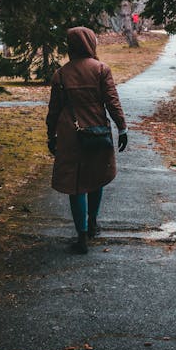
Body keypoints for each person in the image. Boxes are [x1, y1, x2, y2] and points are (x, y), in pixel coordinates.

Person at [46, 26, 128, 254]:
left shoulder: (60, 74)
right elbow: (112, 102)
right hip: (97, 130)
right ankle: (93, 222)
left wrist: (50, 134)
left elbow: (53, 111)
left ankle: (81, 235)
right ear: (90, 43)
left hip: (69, 134)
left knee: (76, 185)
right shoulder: (101, 69)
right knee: (96, 176)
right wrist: (122, 128)